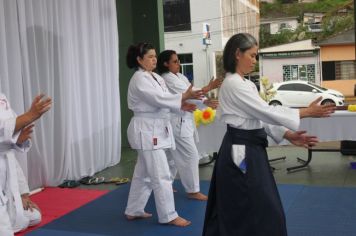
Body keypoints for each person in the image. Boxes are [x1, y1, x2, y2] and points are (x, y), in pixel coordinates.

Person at [202, 33, 336, 236]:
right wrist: (305, 112)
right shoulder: (233, 84)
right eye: (252, 55)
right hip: (240, 152)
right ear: (238, 54)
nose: (255, 61)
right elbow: (266, 112)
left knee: (255, 205)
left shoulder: (245, 83)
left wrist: (288, 134)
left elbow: (260, 118)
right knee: (251, 204)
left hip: (249, 148)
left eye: (256, 56)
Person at [124, 43, 203, 227]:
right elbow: (158, 99)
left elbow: (165, 99)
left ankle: (133, 209)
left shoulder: (156, 78)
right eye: (150, 56)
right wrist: (182, 97)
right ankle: (168, 215)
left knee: (143, 174)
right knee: (161, 175)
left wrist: (181, 104)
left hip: (155, 128)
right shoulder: (139, 79)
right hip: (147, 129)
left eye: (154, 56)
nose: (154, 59)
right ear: (139, 59)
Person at [157, 50, 221, 201]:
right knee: (190, 156)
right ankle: (192, 190)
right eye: (175, 61)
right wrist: (207, 89)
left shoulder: (180, 76)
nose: (178, 64)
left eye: (178, 60)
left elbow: (192, 91)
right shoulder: (167, 78)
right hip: (177, 122)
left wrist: (205, 101)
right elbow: (188, 93)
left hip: (183, 121)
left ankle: (164, 184)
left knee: (171, 157)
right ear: (166, 64)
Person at [0, 92, 51, 236]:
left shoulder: (2, 97)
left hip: (4, 166)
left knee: (32, 217)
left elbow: (11, 130)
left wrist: (23, 194)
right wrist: (30, 115)